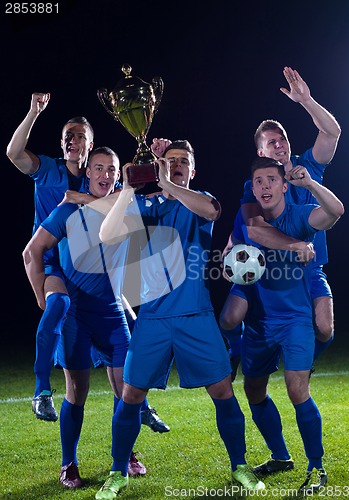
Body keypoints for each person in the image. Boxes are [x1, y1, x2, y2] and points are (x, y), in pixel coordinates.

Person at [95, 140, 266, 499]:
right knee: (130, 395)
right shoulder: (142, 204)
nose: (175, 165)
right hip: (153, 318)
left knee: (222, 390)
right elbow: (106, 235)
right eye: (169, 161)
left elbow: (214, 211)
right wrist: (127, 188)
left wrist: (169, 184)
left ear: (192, 170)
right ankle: (117, 471)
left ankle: (240, 466)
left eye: (183, 162)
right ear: (159, 164)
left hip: (195, 315)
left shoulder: (198, 199)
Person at [6, 93, 170, 433]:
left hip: (92, 269)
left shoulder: (97, 178)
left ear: (92, 144)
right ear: (61, 143)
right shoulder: (49, 170)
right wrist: (34, 111)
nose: (73, 138)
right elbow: (13, 153)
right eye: (68, 133)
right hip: (54, 261)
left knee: (134, 322)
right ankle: (41, 391)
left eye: (80, 134)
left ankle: (141, 409)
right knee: (59, 305)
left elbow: (135, 194)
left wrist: (157, 161)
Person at [22, 147, 150, 487]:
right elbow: (31, 252)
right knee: (76, 392)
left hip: (112, 314)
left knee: (128, 391)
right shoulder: (66, 211)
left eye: (111, 169)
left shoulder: (125, 208)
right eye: (99, 168)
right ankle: (68, 464)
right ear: (88, 173)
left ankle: (126, 456)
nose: (105, 175)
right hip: (77, 315)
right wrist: (40, 297)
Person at [220, 66, 342, 380]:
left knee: (325, 329)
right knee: (230, 319)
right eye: (271, 142)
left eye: (282, 139)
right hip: (269, 268)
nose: (279, 144)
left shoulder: (308, 167)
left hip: (308, 268)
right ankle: (236, 351)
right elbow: (255, 227)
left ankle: (303, 363)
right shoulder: (256, 186)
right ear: (260, 152)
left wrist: (306, 101)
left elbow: (332, 133)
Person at [232, 157, 344, 494]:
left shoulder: (299, 215)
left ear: (284, 185)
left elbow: (335, 211)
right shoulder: (250, 219)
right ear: (252, 189)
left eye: (271, 179)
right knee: (253, 389)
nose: (264, 186)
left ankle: (316, 468)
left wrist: (309, 183)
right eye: (258, 181)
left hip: (294, 320)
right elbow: (252, 235)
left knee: (297, 390)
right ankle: (280, 456)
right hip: (259, 323)